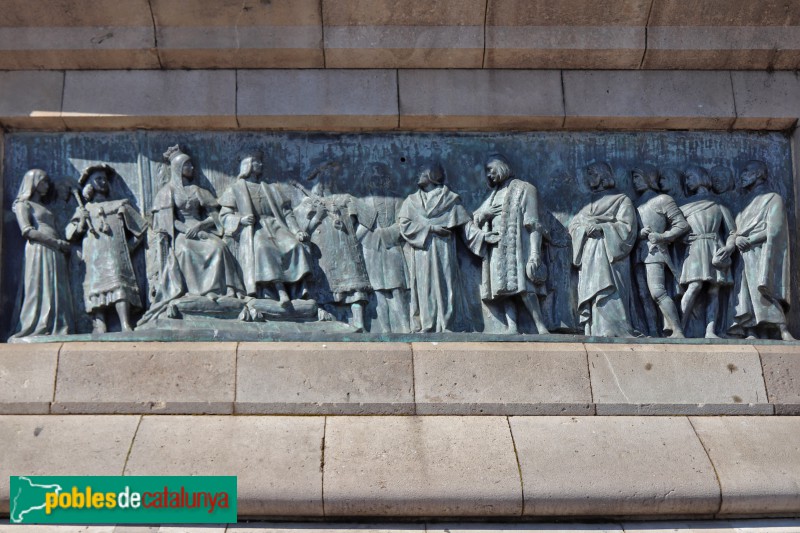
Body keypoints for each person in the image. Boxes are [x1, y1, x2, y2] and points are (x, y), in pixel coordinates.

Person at [150, 145, 245, 307]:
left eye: (191, 164)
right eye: (187, 165)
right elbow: (167, 220)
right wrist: (187, 230)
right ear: (178, 168)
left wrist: (200, 226)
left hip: (201, 229)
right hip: (182, 233)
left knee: (219, 247)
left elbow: (214, 216)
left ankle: (222, 289)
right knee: (185, 252)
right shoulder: (167, 192)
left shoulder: (197, 190)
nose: (192, 168)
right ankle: (196, 292)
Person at [398, 163, 484, 333]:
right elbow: (404, 224)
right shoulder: (411, 201)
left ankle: (447, 324)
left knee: (446, 285)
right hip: (422, 251)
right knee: (424, 287)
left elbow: (466, 226)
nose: (418, 175)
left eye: (422, 172)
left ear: (432, 175)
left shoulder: (450, 199)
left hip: (443, 249)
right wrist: (430, 228)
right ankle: (427, 324)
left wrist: (483, 237)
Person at [219, 150, 311, 305]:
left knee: (295, 246)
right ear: (247, 165)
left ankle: (300, 291)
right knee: (264, 248)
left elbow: (286, 212)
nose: (260, 164)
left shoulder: (271, 188)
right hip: (254, 229)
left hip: (275, 225)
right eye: (256, 162)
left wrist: (297, 231)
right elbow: (224, 216)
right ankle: (280, 291)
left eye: (260, 162)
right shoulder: (236, 189)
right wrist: (240, 220)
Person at [471, 155, 549, 334]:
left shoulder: (525, 189)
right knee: (503, 289)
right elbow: (476, 217)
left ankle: (540, 325)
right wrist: (485, 215)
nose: (488, 174)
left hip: (519, 245)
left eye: (491, 169)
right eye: (486, 171)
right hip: (497, 246)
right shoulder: (492, 195)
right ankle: (511, 326)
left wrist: (535, 253)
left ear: (502, 166)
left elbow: (534, 223)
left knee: (525, 287)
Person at [66, 164, 147, 333]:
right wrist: (82, 221)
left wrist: (128, 247)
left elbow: (141, 229)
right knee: (95, 287)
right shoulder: (83, 209)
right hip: (93, 255)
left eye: (104, 179)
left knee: (119, 283)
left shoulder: (120, 205)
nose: (102, 182)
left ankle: (125, 323)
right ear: (89, 184)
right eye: (98, 179)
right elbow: (70, 235)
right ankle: (99, 323)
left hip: (115, 252)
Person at [295, 165, 373, 331]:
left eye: (331, 177)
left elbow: (369, 219)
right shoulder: (308, 202)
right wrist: (317, 216)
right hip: (322, 253)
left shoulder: (346, 199)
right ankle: (331, 323)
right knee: (325, 288)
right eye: (323, 179)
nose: (326, 183)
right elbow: (300, 231)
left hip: (346, 251)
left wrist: (355, 239)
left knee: (354, 288)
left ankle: (359, 324)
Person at [724, 160, 794, 340]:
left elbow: (776, 229)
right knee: (745, 295)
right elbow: (735, 228)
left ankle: (782, 329)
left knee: (762, 289)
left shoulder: (773, 198)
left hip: (761, 252)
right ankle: (751, 330)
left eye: (746, 170)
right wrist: (736, 239)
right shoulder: (743, 202)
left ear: (758, 174)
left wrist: (750, 239)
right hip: (743, 254)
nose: (742, 175)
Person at [569, 162, 637, 337]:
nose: (589, 178)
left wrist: (604, 228)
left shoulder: (621, 200)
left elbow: (627, 228)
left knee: (610, 291)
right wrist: (583, 229)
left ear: (602, 175)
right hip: (588, 251)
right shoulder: (587, 203)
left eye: (592, 174)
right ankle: (595, 329)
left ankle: (616, 330)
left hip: (609, 253)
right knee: (592, 291)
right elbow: (574, 225)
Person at [10, 169, 74, 338]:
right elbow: (27, 231)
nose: (47, 185)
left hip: (56, 252)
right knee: (39, 289)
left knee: (56, 290)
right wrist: (55, 243)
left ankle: (58, 326)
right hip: (39, 249)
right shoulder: (23, 204)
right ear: (34, 182)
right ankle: (37, 325)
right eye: (43, 181)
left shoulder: (44, 206)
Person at [631, 164, 689, 338]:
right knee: (643, 295)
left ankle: (677, 330)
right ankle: (653, 331)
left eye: (638, 177)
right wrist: (639, 234)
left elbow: (682, 225)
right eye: (633, 178)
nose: (635, 182)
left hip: (656, 251)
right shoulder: (634, 204)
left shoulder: (663, 200)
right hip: (638, 253)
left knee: (657, 291)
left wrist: (663, 236)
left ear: (649, 178)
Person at [678, 165, 735, 338]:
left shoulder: (718, 203)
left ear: (701, 177)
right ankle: (678, 327)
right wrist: (682, 239)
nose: (687, 182)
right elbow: (677, 229)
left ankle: (710, 331)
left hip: (714, 248)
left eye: (690, 177)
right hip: (695, 248)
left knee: (714, 290)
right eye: (686, 179)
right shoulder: (684, 206)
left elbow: (731, 231)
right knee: (694, 286)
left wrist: (729, 247)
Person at [356, 163, 410, 334]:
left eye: (380, 178)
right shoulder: (361, 202)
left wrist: (384, 235)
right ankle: (385, 330)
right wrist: (369, 236)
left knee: (397, 289)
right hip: (370, 250)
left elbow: (403, 223)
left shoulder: (397, 199)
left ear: (386, 180)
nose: (377, 182)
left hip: (392, 248)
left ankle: (405, 327)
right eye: (373, 179)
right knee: (378, 293)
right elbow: (357, 228)